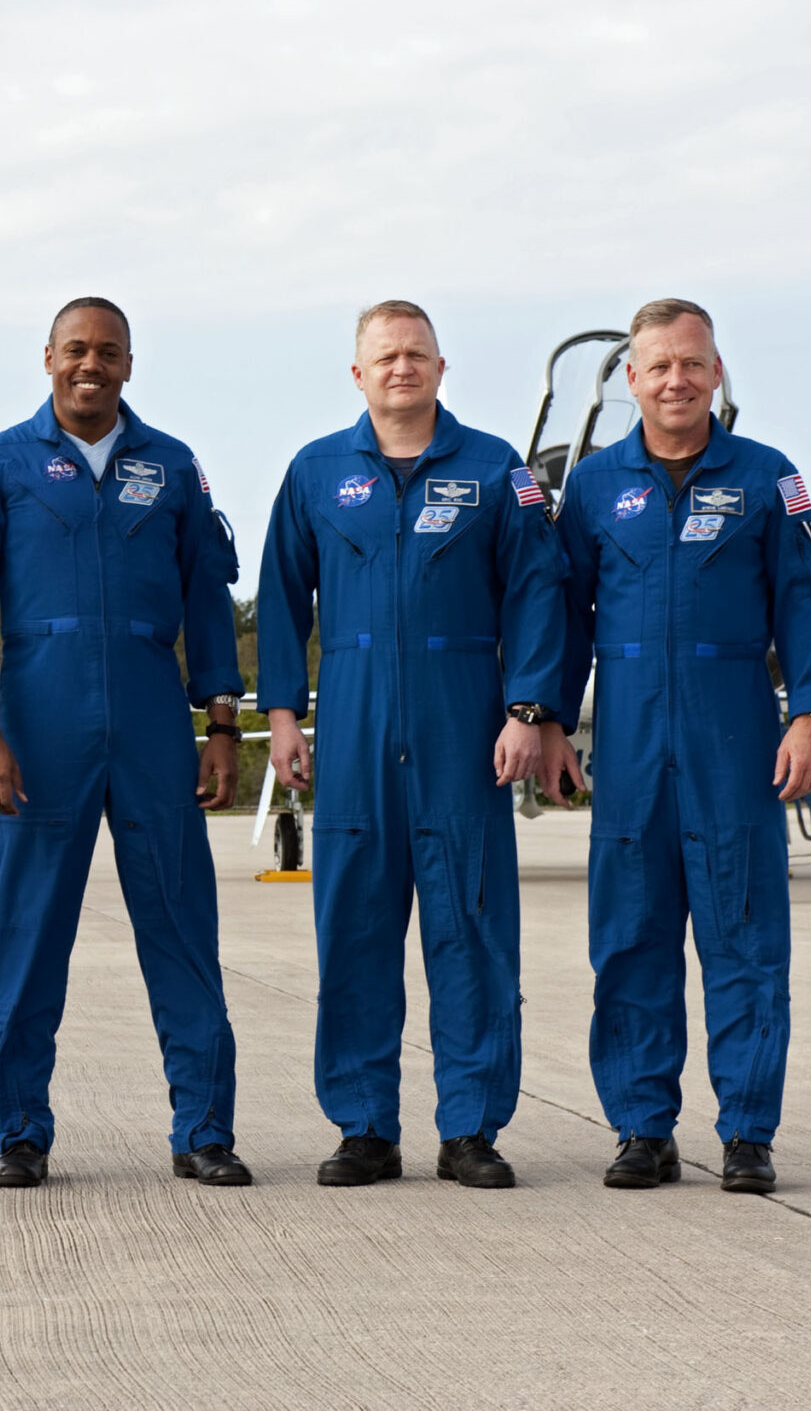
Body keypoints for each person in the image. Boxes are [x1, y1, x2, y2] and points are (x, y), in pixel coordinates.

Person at [252, 301, 570, 1191]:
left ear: (441, 366)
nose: (402, 367)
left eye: (417, 353)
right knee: (353, 926)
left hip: (462, 724)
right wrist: (284, 716)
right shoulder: (317, 472)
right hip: (351, 725)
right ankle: (364, 1127)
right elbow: (281, 599)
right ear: (358, 374)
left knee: (470, 928)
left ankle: (470, 1127)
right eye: (385, 355)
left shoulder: (494, 468)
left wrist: (529, 708)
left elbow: (538, 589)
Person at [0, 298, 247, 1189]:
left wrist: (221, 724)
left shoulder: (173, 467)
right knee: (29, 931)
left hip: (152, 714)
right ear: (47, 358)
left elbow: (207, 602)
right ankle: (21, 1131)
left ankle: (204, 1129)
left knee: (183, 925)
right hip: (41, 716)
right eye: (76, 349)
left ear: (129, 365)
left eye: (108, 352)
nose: (91, 365)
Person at [542, 298, 811, 1195]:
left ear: (716, 374)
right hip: (628, 742)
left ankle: (748, 1132)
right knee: (630, 939)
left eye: (692, 363)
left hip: (733, 734)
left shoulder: (766, 477)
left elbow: (806, 597)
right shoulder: (593, 485)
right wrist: (550, 719)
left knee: (746, 934)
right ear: (632, 380)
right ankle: (643, 1128)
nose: (676, 379)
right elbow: (564, 611)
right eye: (658, 366)